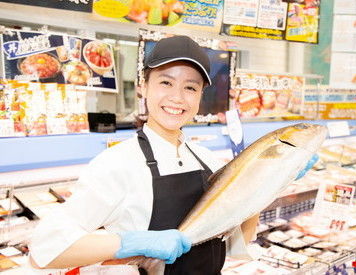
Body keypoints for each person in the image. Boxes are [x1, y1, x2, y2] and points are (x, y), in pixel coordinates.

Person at [29, 35, 315, 274]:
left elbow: (241, 238)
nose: (177, 97)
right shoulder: (117, 164)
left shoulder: (207, 159)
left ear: (200, 96)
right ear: (143, 87)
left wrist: (268, 184)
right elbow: (45, 249)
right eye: (165, 82)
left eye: (190, 87)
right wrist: (130, 243)